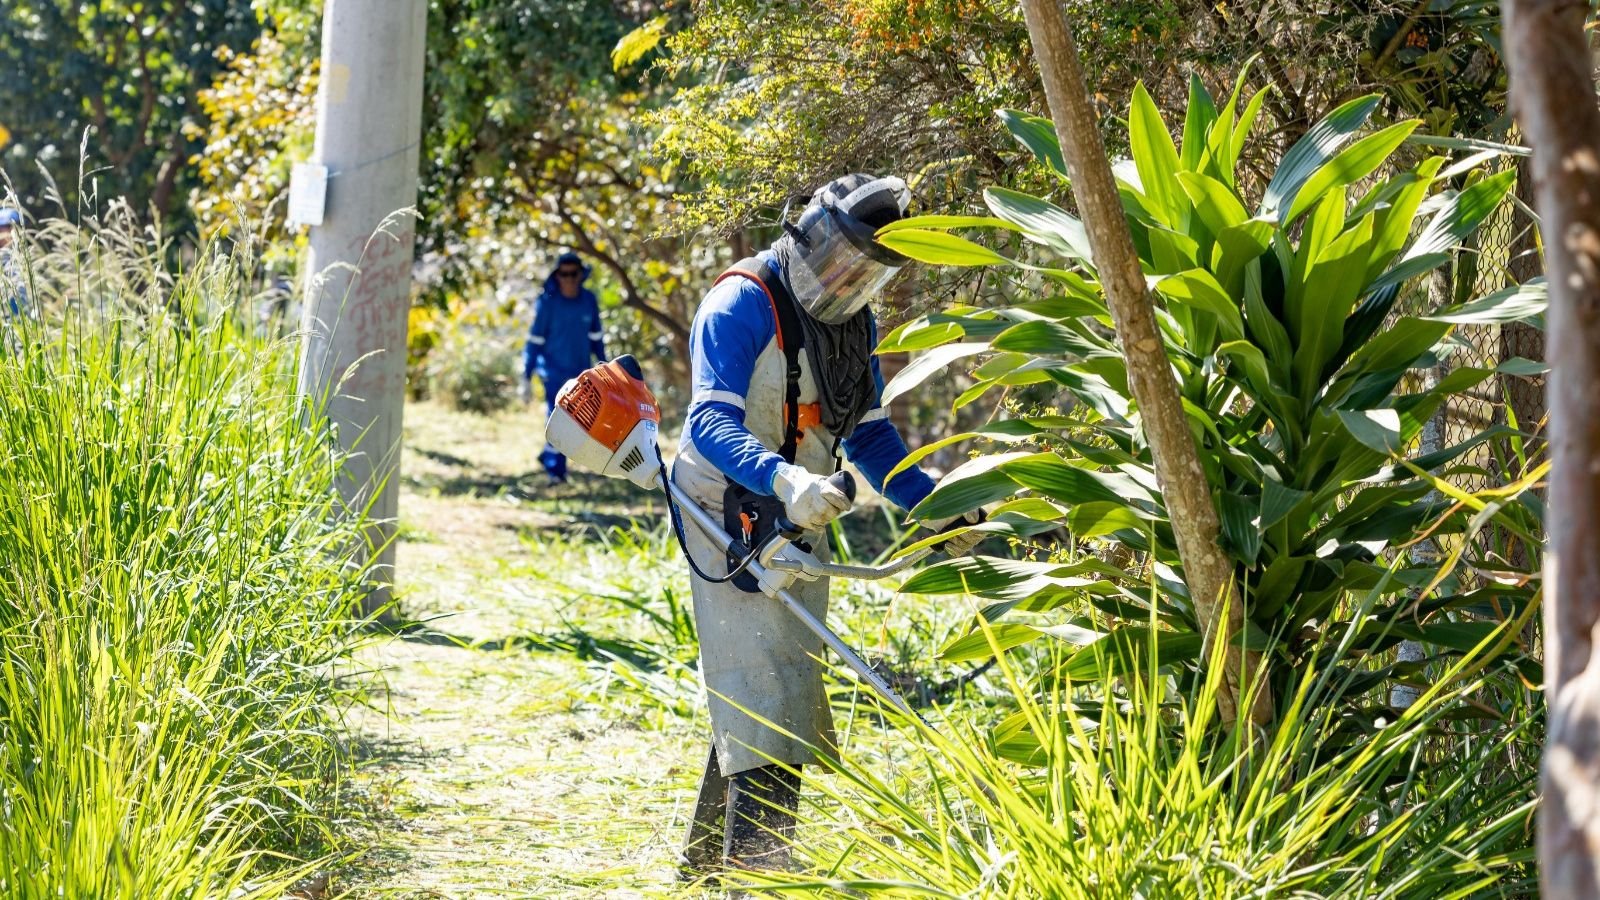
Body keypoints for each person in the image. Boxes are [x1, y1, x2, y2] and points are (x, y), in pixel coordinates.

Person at [672, 174, 984, 877]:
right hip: (724, 505)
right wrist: (784, 479)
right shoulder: (739, 303)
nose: (846, 284)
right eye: (839, 263)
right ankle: (760, 879)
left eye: (864, 274)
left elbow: (869, 436)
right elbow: (709, 422)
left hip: (802, 505)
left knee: (769, 680)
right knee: (768, 691)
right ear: (805, 238)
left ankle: (705, 867)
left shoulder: (853, 326)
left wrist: (933, 505)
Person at [521, 251, 605, 484]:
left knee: (576, 421)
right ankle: (555, 471)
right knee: (557, 417)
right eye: (564, 274)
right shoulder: (548, 303)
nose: (568, 279)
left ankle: (548, 455)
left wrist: (604, 367)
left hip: (579, 373)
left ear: (580, 275)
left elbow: (596, 338)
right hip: (552, 372)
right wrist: (526, 375)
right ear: (557, 276)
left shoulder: (588, 300)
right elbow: (535, 340)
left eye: (573, 274)